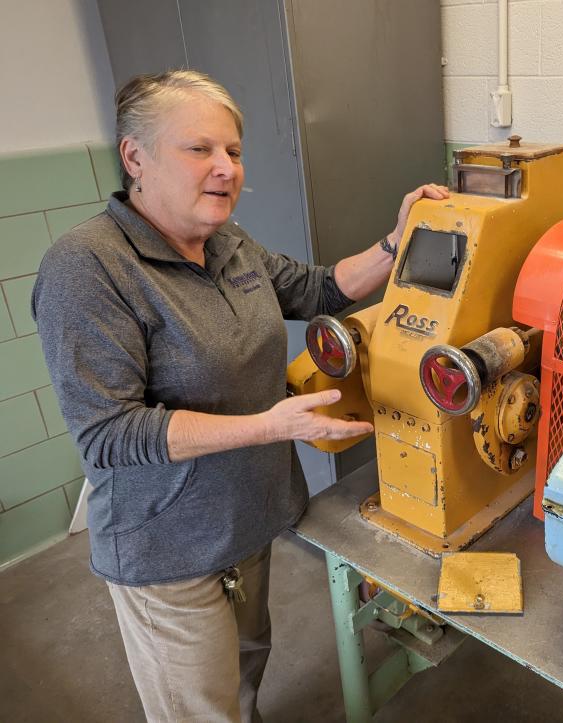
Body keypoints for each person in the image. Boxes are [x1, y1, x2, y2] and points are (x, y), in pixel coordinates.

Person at [31, 69, 449, 722]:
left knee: (246, 671)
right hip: (167, 548)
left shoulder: (227, 244)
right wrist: (268, 426)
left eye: (233, 150)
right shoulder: (86, 268)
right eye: (199, 149)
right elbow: (109, 433)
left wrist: (399, 241)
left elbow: (318, 289)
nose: (226, 168)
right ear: (135, 156)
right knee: (202, 706)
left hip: (249, 519)